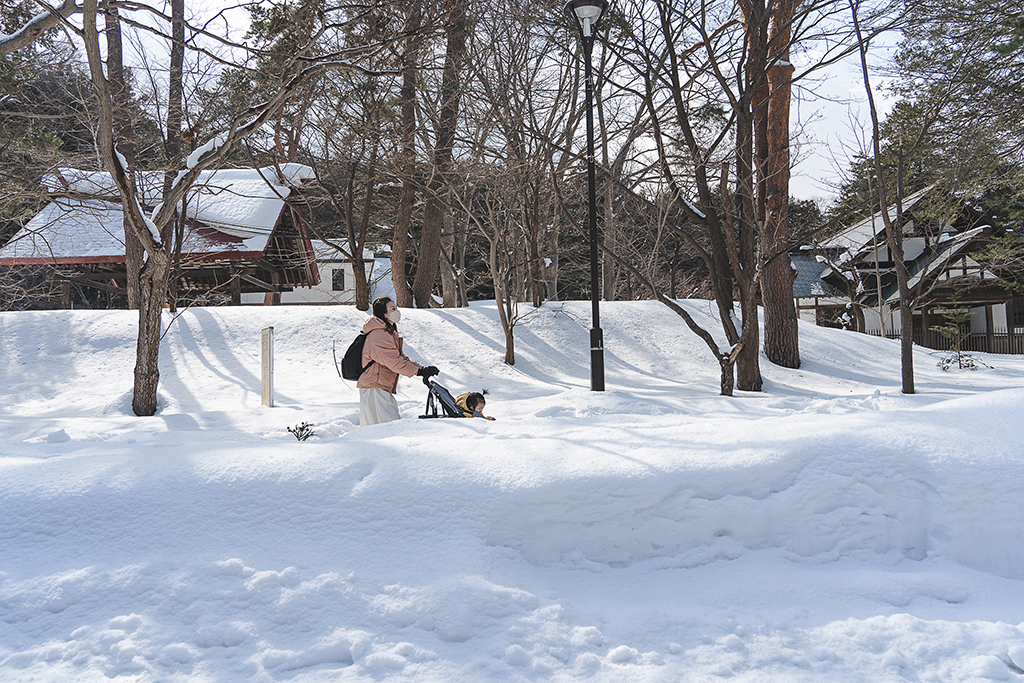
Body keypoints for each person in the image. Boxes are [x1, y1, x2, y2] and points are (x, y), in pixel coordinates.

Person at [357, 296, 438, 426]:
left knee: (380, 428)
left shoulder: (387, 331)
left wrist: (421, 369)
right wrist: (418, 372)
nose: (396, 311)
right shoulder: (378, 335)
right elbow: (394, 362)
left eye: (396, 308)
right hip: (374, 387)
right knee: (387, 427)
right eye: (392, 309)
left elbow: (400, 357)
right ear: (383, 313)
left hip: (379, 386)